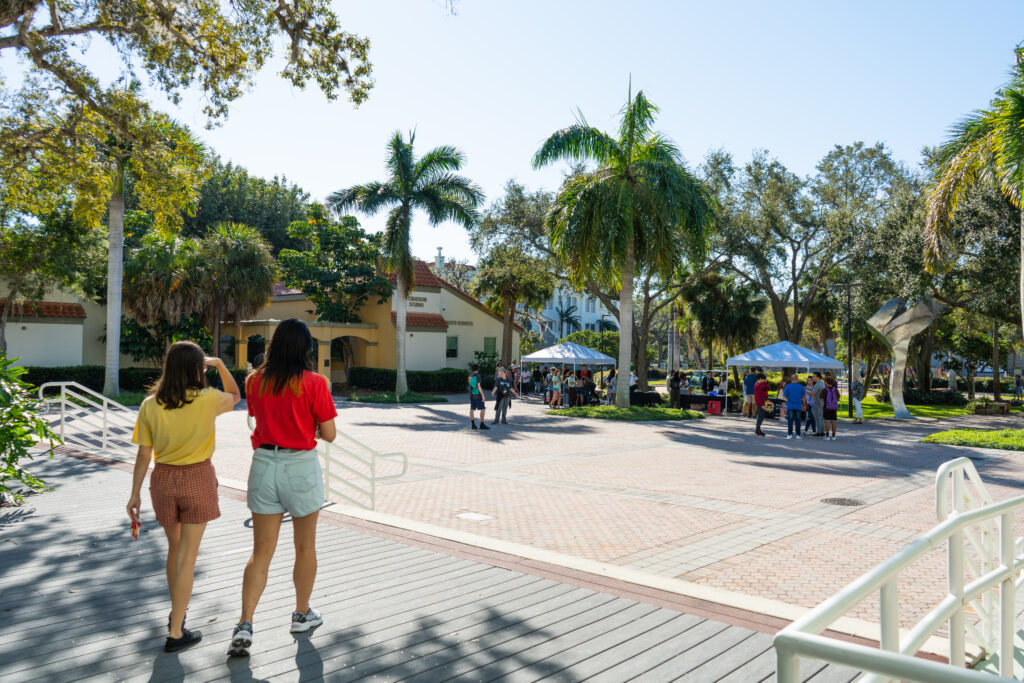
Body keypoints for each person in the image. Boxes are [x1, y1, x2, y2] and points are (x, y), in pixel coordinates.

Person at [229, 319, 338, 657]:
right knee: (305, 548)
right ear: (305, 348)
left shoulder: (254, 381)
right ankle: (301, 614)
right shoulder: (315, 382)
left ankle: (245, 622)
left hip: (263, 465)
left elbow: (261, 416)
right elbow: (330, 433)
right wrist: (310, 429)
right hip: (299, 465)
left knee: (261, 552)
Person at [127, 342, 240, 653]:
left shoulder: (150, 404)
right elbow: (236, 396)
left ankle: (178, 610)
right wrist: (219, 365)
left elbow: (143, 454)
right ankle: (176, 631)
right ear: (196, 368)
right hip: (198, 478)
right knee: (188, 556)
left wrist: (134, 493)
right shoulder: (207, 399)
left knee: (175, 550)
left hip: (162, 480)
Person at [783, 374, 806, 440]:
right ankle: (798, 434)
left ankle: (789, 434)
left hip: (790, 406)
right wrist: (804, 405)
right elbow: (804, 397)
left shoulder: (787, 386)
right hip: (798, 406)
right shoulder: (801, 387)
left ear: (791, 379)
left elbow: (784, 396)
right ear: (797, 379)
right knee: (798, 421)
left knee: (790, 420)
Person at [468, 363, 489, 429]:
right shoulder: (477, 375)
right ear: (478, 369)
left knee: (472, 409)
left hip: (471, 395)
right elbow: (479, 386)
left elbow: (471, 385)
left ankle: (473, 425)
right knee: (483, 409)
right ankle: (482, 424)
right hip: (477, 395)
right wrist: (483, 395)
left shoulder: (470, 375)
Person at [823, 376, 841, 440]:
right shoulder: (835, 390)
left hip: (826, 408)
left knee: (827, 421)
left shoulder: (824, 390)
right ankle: (833, 436)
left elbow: (821, 399)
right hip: (834, 408)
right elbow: (838, 399)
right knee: (834, 422)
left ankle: (827, 436)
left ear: (826, 382)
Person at [811, 372, 826, 436]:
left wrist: (805, 391)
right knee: (820, 417)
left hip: (818, 403)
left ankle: (819, 432)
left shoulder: (817, 385)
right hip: (821, 403)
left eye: (814, 376)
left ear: (818, 377)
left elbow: (812, 394)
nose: (813, 378)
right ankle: (821, 431)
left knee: (817, 417)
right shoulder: (821, 384)